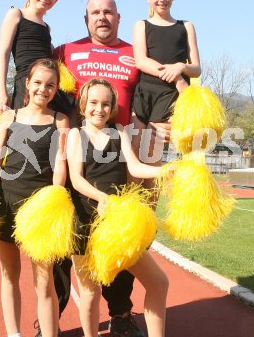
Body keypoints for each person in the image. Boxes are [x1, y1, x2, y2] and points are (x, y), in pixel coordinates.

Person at [52, 0, 170, 336]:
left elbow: (155, 95)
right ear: (86, 18)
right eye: (95, 12)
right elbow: (40, 83)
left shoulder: (136, 56)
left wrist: (164, 154)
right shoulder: (65, 52)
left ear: (118, 17)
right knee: (85, 289)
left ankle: (121, 314)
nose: (100, 108)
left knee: (147, 276)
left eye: (108, 12)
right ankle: (52, 320)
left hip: (119, 198)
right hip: (85, 205)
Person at [67, 79, 168, 337]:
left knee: (158, 282)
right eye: (93, 103)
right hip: (85, 224)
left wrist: (164, 170)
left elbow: (134, 167)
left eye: (106, 104)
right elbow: (76, 179)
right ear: (83, 105)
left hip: (116, 225)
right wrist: (102, 198)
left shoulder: (120, 132)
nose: (99, 109)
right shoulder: (75, 135)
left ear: (112, 108)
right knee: (90, 293)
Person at [0, 59, 69, 337]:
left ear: (56, 89)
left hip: (40, 211)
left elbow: (60, 165)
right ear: (27, 84)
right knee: (9, 274)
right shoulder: (8, 118)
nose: (43, 89)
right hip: (6, 203)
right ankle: (14, 334)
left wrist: (54, 203)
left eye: (50, 85)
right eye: (38, 83)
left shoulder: (60, 120)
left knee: (44, 283)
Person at [130, 0, 201, 205]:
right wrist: (171, 73)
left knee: (152, 157)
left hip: (169, 98)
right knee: (133, 150)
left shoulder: (186, 26)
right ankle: (129, 208)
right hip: (144, 93)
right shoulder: (141, 25)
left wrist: (180, 66)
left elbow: (196, 68)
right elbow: (141, 61)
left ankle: (148, 216)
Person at [0, 0, 60, 113]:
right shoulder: (16, 14)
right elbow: (3, 54)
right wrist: (1, 91)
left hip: (47, 85)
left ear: (56, 0)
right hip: (26, 84)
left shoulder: (47, 27)